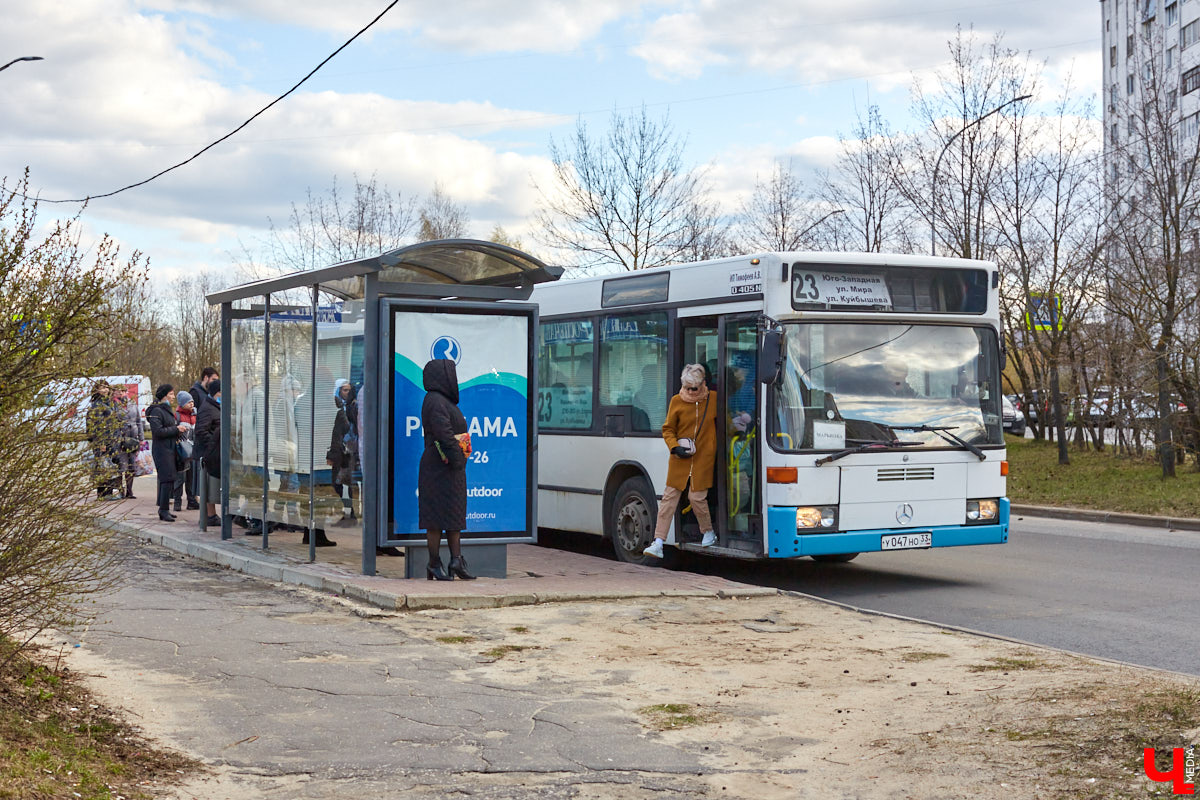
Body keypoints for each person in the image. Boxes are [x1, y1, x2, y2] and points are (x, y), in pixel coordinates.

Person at [644, 364, 719, 558]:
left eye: (694, 388)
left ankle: (708, 532)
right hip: (680, 458)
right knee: (669, 499)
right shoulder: (676, 401)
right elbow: (668, 429)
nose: (690, 392)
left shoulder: (713, 400)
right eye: (687, 388)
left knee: (696, 498)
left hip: (703, 457)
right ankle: (658, 542)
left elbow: (724, 424)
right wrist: (674, 447)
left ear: (703, 384)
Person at [418, 359, 475, 581]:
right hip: (438, 467)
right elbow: (444, 433)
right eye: (451, 374)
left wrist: (459, 460)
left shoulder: (444, 401)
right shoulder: (434, 400)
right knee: (435, 518)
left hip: (451, 467)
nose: (455, 379)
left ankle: (456, 561)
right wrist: (459, 459)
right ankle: (434, 563)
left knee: (454, 515)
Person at [146, 384, 186, 522]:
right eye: (170, 394)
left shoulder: (165, 409)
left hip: (169, 448)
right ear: (164, 396)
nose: (173, 397)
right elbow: (158, 431)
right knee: (166, 479)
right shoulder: (157, 411)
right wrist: (176, 429)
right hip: (162, 450)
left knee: (169, 479)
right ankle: (163, 510)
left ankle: (164, 509)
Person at [86, 380, 121, 499]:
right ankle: (103, 493)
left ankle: (107, 493)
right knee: (103, 466)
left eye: (106, 387)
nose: (105, 390)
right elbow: (97, 425)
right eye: (102, 388)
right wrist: (101, 442)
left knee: (107, 466)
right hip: (102, 441)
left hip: (110, 440)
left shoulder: (108, 403)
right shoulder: (97, 405)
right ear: (96, 390)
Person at [195, 379, 222, 527]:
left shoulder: (214, 406)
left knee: (211, 485)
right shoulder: (208, 408)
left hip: (212, 452)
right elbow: (201, 431)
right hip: (209, 454)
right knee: (208, 485)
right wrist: (213, 445)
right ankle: (209, 516)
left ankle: (209, 515)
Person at [112, 383, 145, 500]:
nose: (121, 393)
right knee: (121, 465)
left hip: (133, 438)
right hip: (120, 439)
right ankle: (121, 490)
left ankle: (130, 491)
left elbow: (138, 421)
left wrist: (141, 438)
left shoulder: (132, 403)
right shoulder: (113, 405)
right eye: (118, 391)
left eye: (123, 391)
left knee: (131, 465)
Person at [172, 391, 199, 512]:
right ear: (182, 404)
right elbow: (173, 431)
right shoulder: (177, 416)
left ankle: (191, 500)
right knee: (180, 477)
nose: (191, 404)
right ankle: (177, 502)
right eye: (188, 402)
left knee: (191, 477)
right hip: (182, 451)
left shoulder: (195, 415)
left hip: (193, 450)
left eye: (192, 401)